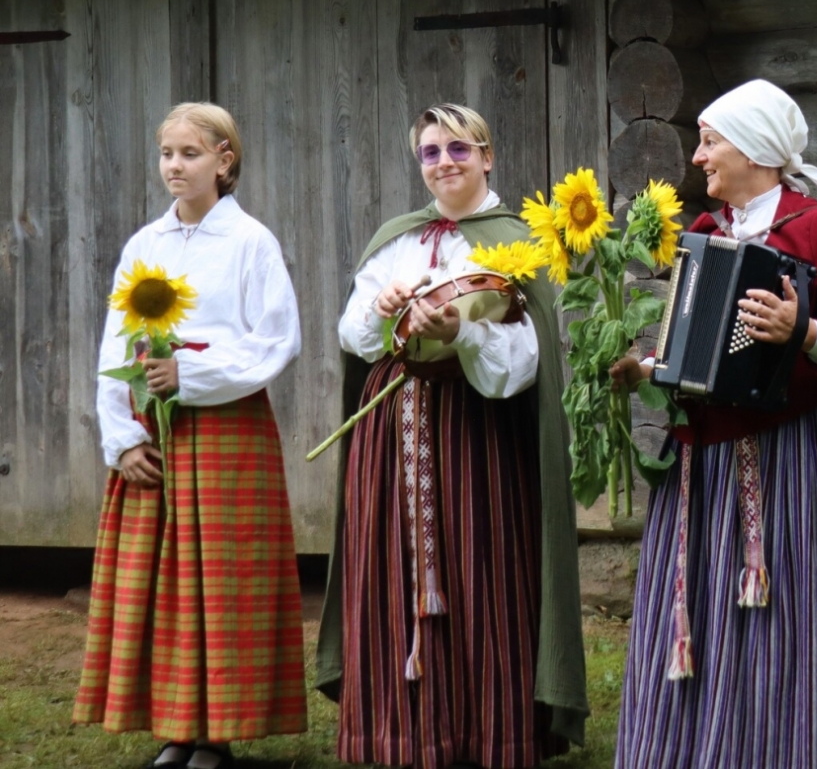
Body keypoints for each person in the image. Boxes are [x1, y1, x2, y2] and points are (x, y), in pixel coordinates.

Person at [610, 79, 817, 769]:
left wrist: (806, 330)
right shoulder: (704, 236)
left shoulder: (816, 228)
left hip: (794, 453)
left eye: (712, 141)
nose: (699, 158)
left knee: (795, 610)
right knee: (704, 606)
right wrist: (649, 365)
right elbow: (686, 341)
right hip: (704, 467)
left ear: (758, 150)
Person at [315, 104, 587, 769]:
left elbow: (523, 363)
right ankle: (401, 734)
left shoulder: (519, 243)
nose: (444, 163)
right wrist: (382, 312)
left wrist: (459, 332)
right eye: (430, 153)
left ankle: (488, 734)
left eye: (458, 149)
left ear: (487, 156)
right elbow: (354, 337)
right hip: (392, 434)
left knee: (481, 574)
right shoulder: (397, 238)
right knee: (388, 569)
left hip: (479, 437)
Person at [75, 103, 306, 769]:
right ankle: (174, 727)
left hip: (227, 427)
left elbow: (276, 341)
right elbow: (114, 345)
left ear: (224, 161)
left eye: (190, 153)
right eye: (167, 153)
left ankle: (217, 732)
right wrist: (121, 438)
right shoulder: (144, 245)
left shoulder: (250, 243)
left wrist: (193, 372)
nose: (175, 166)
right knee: (162, 580)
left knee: (220, 583)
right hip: (156, 429)